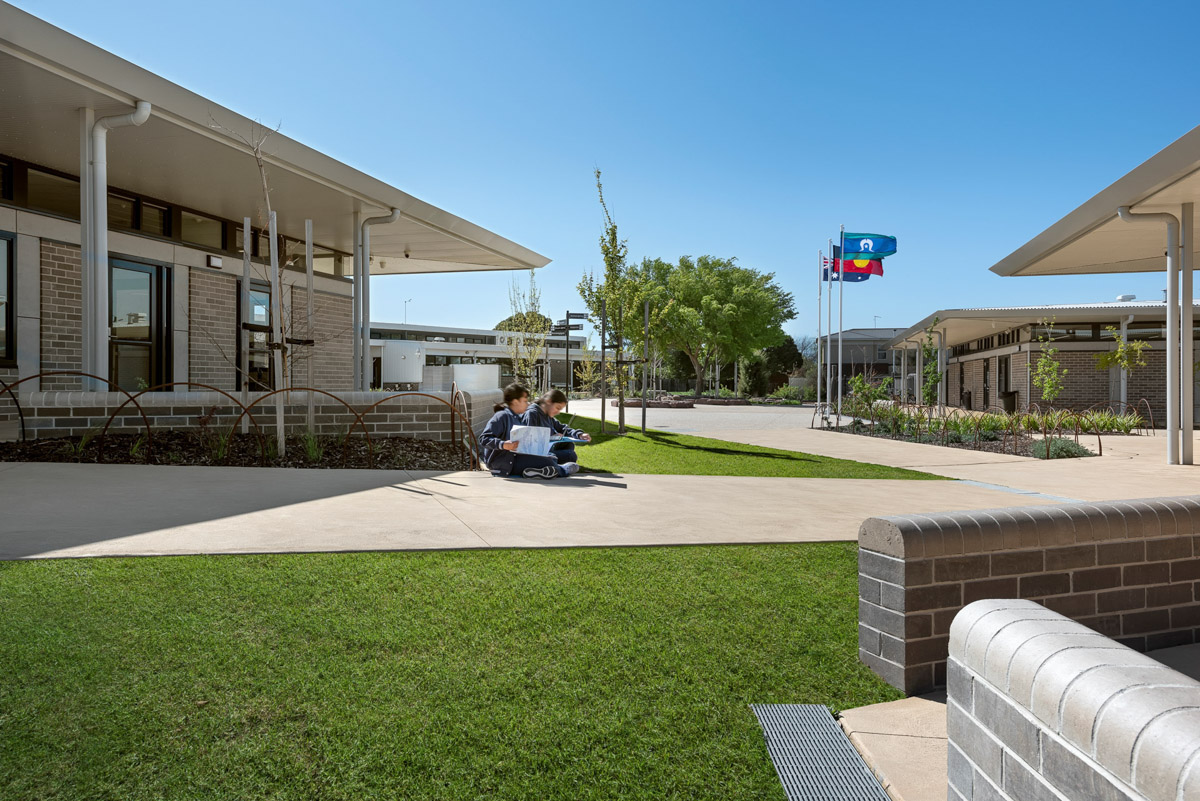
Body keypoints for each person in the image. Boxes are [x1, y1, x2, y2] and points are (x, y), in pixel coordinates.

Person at [478, 383, 577, 479]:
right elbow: (483, 439)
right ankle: (562, 470)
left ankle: (534, 472)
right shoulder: (502, 416)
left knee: (551, 457)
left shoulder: (517, 418)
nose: (528, 403)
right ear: (515, 402)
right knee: (548, 461)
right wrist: (503, 444)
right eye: (525, 401)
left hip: (515, 457)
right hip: (503, 464)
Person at [523, 388, 591, 466]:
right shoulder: (532, 414)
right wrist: (551, 437)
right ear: (548, 401)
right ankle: (555, 465)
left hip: (549, 449)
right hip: (537, 454)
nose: (558, 412)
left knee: (569, 444)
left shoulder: (548, 416)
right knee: (570, 455)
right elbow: (530, 440)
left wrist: (579, 434)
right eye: (557, 408)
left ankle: (557, 465)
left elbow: (562, 428)